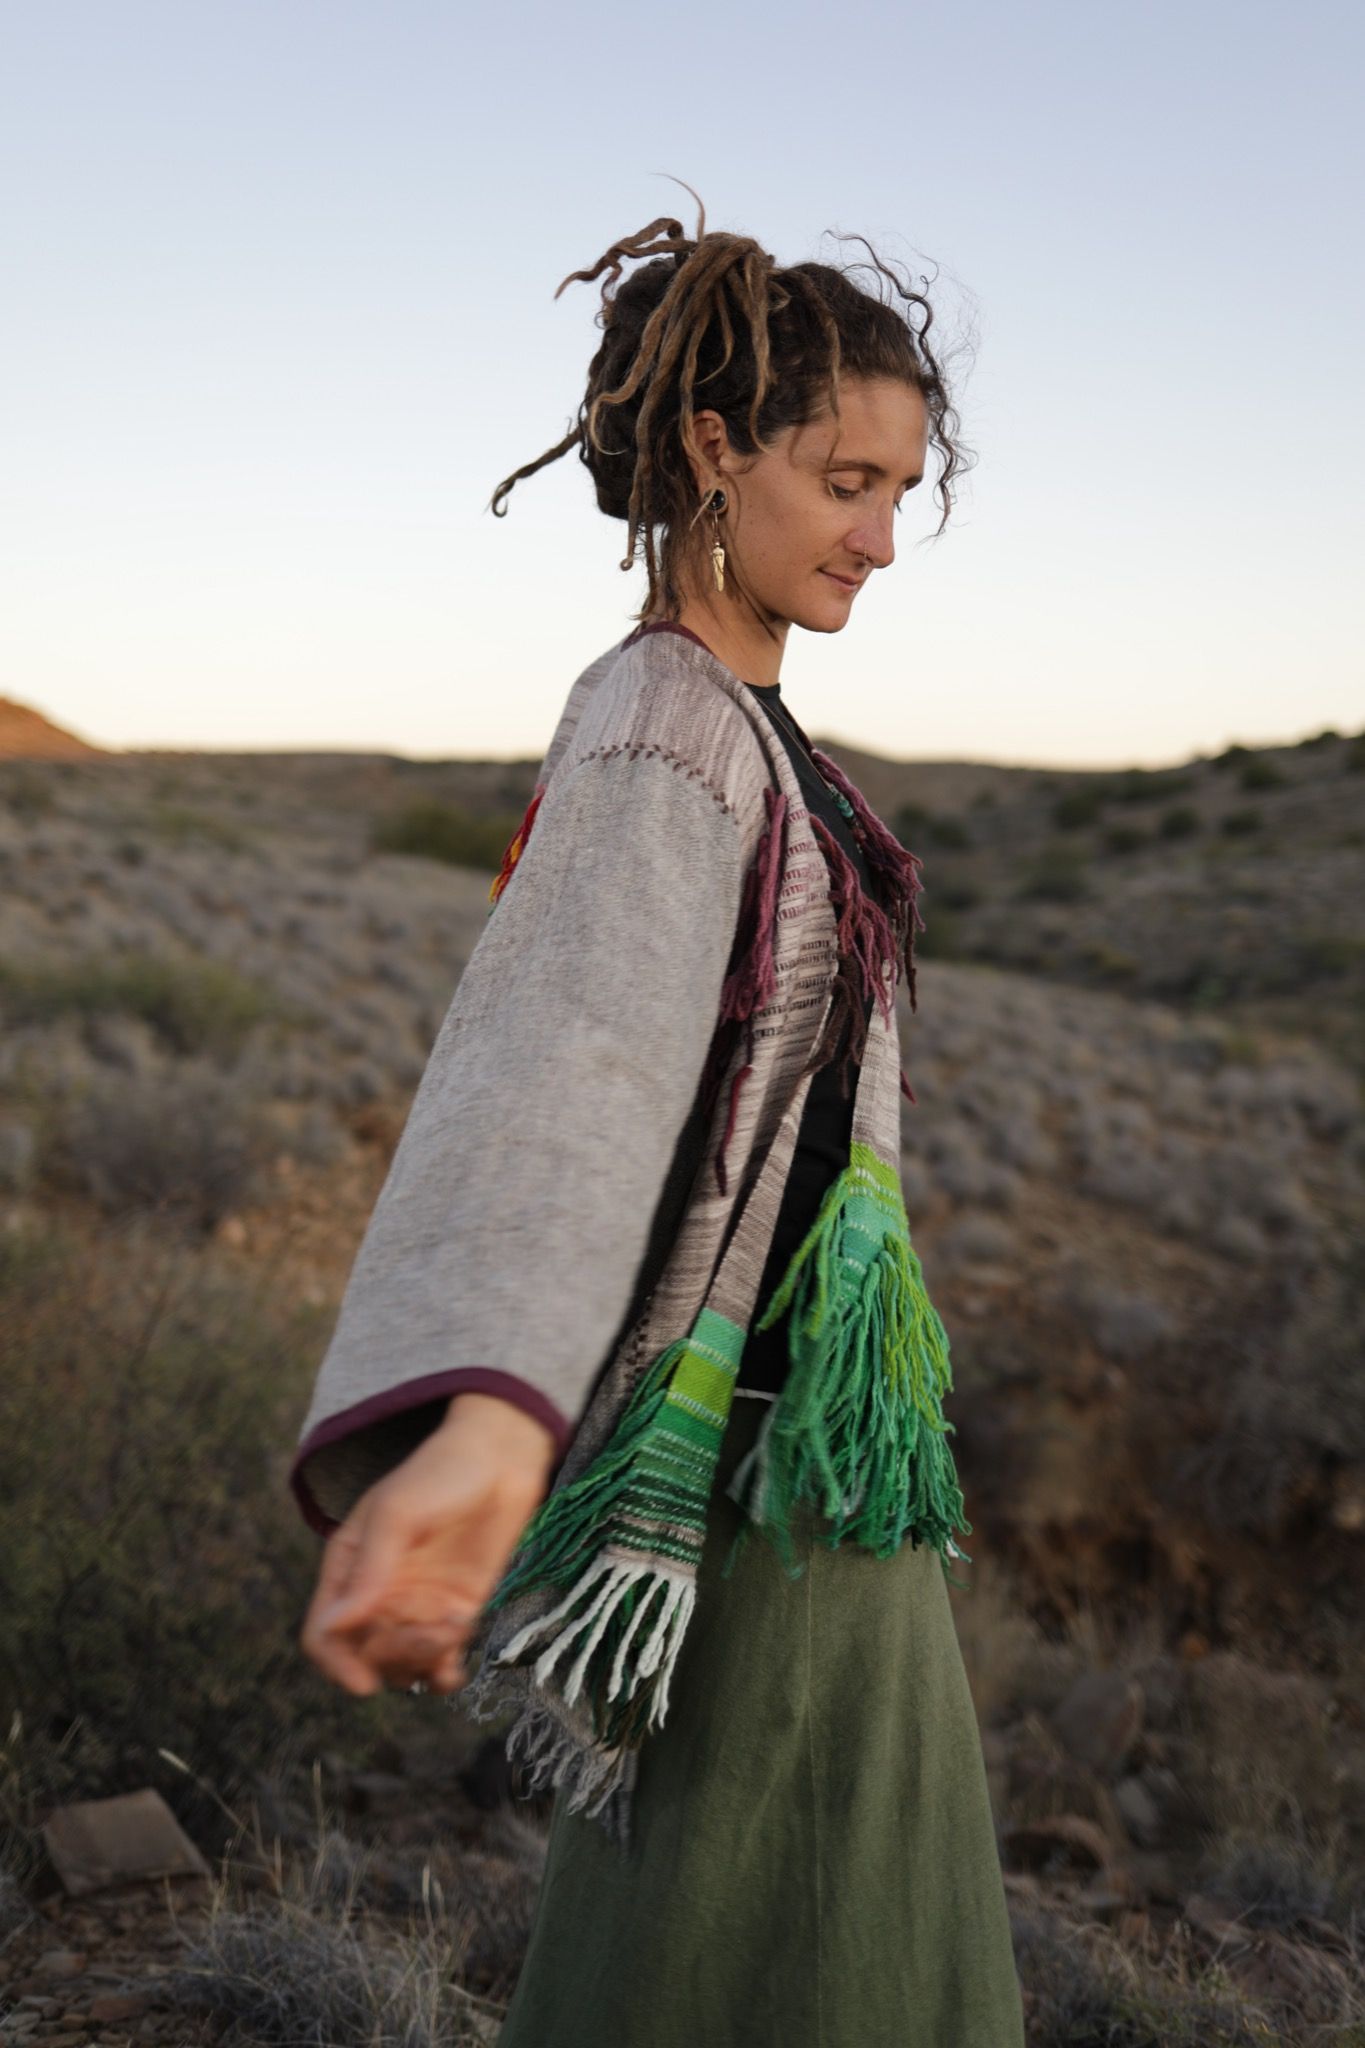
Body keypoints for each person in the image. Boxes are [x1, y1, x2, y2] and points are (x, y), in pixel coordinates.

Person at [290, 188, 1026, 2046]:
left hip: (825, 1465)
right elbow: (574, 1067)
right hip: (752, 1491)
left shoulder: (758, 733)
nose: (878, 535)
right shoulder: (662, 724)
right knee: (768, 1957)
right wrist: (491, 1414)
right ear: (715, 447)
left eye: (897, 493)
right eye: (845, 479)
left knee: (823, 1939)